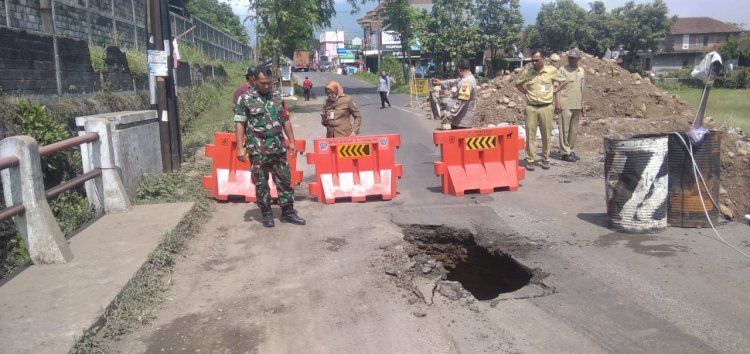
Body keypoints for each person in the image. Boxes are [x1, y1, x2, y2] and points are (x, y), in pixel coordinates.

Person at [234, 66, 305, 228]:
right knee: (261, 182)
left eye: (269, 83)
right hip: (257, 149)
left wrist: (292, 141)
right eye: (263, 83)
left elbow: (285, 120)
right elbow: (240, 123)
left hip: (278, 148)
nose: (266, 86)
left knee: (284, 179)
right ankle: (266, 213)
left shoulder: (277, 97)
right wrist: (240, 147)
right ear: (254, 81)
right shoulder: (245, 99)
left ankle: (288, 212)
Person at [515, 50, 564, 171]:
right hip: (531, 107)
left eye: (537, 59)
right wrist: (526, 92)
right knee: (530, 134)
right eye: (533, 60)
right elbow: (517, 83)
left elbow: (563, 81)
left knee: (546, 135)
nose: (535, 62)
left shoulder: (551, 71)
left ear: (543, 59)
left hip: (546, 107)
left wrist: (555, 91)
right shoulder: (528, 72)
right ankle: (530, 160)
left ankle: (545, 159)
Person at [555, 48, 585, 162]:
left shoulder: (581, 71)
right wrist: (557, 103)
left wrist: (583, 103)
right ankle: (564, 153)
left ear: (579, 59)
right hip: (565, 103)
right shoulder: (562, 70)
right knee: (564, 130)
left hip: (577, 104)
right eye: (569, 58)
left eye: (573, 58)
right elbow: (556, 88)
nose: (571, 60)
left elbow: (582, 88)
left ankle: (570, 150)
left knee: (574, 129)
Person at [431, 59, 477, 129]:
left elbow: (461, 102)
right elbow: (454, 82)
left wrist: (449, 115)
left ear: (459, 69)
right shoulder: (463, 79)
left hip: (462, 123)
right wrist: (441, 82)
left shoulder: (467, 82)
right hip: (458, 120)